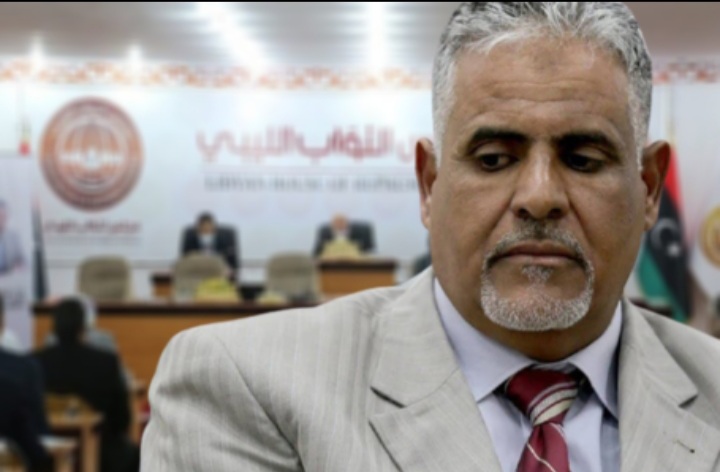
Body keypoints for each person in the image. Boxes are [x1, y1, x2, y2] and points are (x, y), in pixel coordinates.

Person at [142, 3, 720, 471]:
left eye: (583, 159)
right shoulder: (246, 385)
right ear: (429, 184)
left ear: (648, 189)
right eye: (493, 159)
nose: (539, 196)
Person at [35, 299, 139, 472]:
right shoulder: (105, 362)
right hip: (103, 454)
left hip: (48, 455)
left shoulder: (35, 363)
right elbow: (122, 419)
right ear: (83, 328)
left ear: (54, 329)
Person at [0, 200, 25, 276]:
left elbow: (22, 259)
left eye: (4, 216)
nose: (1, 220)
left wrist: (20, 265)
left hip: (8, 277)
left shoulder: (13, 236)